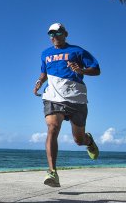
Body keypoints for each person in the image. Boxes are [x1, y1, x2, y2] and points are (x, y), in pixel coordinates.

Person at [34, 22, 100, 187]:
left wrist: (81, 71)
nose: (54, 37)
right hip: (53, 97)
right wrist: (39, 81)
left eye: (57, 33)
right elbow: (44, 72)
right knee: (52, 128)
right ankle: (52, 172)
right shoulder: (45, 54)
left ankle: (89, 141)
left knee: (78, 139)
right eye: (51, 34)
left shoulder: (77, 51)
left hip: (76, 98)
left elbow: (96, 69)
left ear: (65, 33)